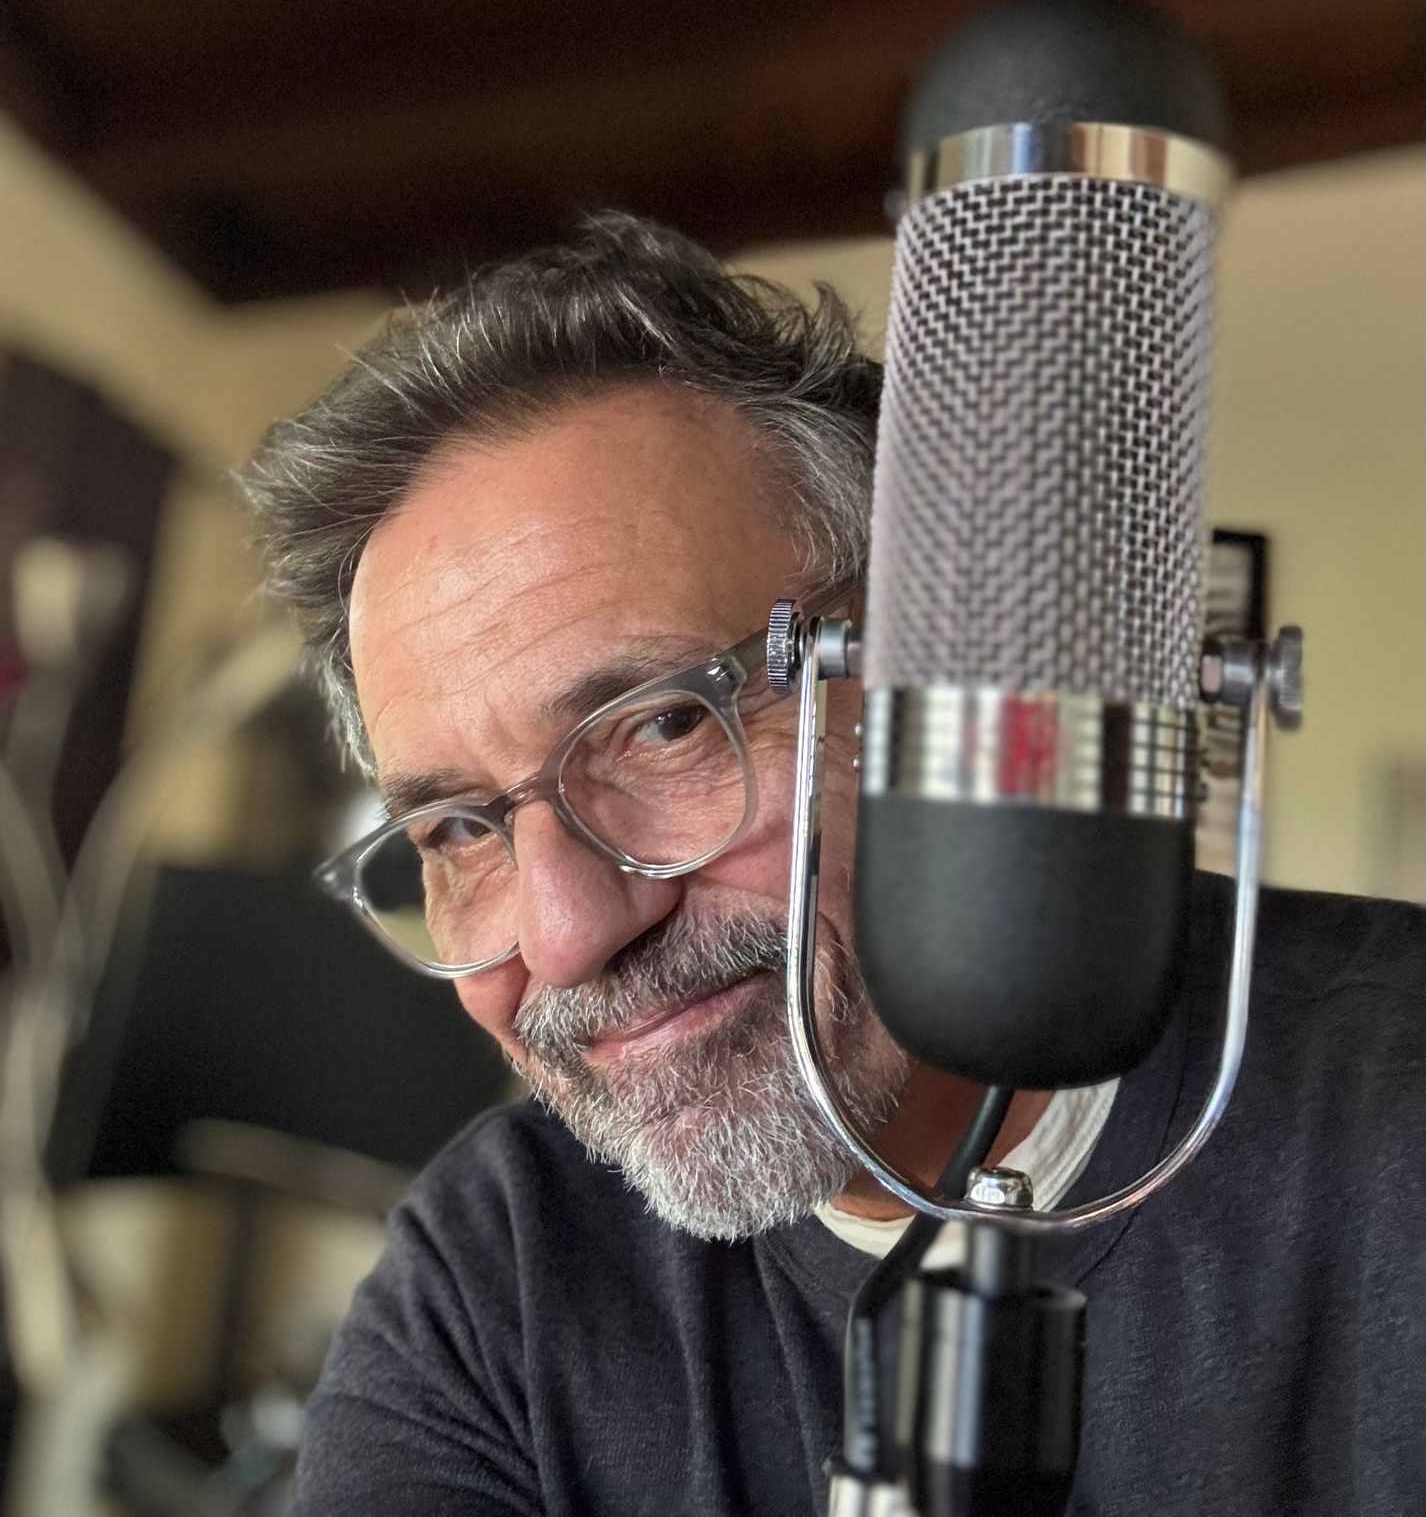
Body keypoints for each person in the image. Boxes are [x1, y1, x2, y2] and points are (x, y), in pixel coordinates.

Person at [243, 213, 1423, 1517]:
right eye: (460, 830)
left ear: (953, 674)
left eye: (665, 724)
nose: (569, 936)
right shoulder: (498, 1269)